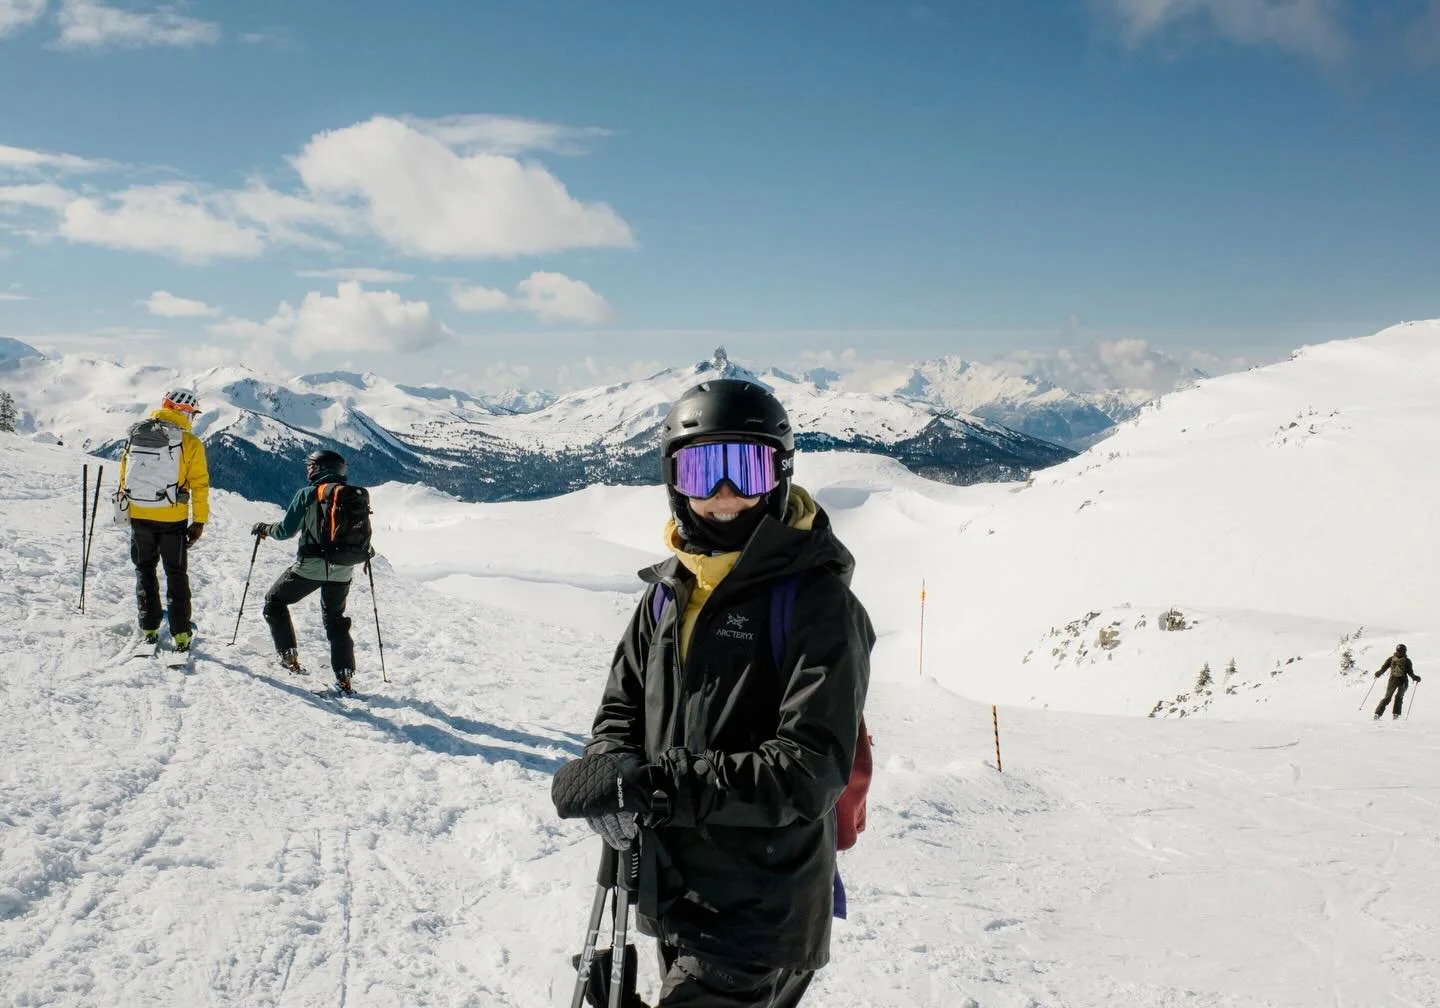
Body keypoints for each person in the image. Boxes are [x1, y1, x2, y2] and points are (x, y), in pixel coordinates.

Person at [551, 378, 875, 1008]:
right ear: (675, 481)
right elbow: (621, 706)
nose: (724, 495)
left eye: (745, 468)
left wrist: (657, 784)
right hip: (676, 888)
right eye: (703, 470)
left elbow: (808, 771)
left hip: (761, 910)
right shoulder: (669, 592)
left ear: (778, 474)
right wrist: (611, 767)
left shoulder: (818, 603)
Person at [251, 449, 359, 695]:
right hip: (343, 569)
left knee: (274, 602)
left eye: (311, 466)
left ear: (321, 468)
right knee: (336, 620)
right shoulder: (351, 496)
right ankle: (344, 677)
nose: (308, 470)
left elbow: (285, 531)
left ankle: (289, 657)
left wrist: (264, 528)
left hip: (310, 566)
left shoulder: (307, 495)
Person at [117, 388, 209, 650]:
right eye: (191, 413)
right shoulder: (190, 443)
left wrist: (127, 510)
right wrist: (199, 522)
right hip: (172, 518)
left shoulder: (137, 435)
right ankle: (181, 633)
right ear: (183, 411)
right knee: (176, 573)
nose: (192, 418)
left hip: (139, 515)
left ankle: (149, 627)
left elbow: (124, 476)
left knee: (145, 570)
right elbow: (200, 485)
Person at [1373, 644, 1421, 720]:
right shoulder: (1407, 661)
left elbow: (1384, 667)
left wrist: (1379, 673)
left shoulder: (1391, 659)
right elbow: (1410, 672)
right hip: (1403, 681)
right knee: (1399, 697)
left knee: (1387, 698)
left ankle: (1377, 714)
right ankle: (1396, 715)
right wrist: (1415, 678)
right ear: (1405, 651)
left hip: (1393, 680)